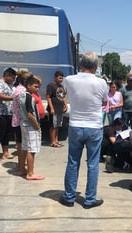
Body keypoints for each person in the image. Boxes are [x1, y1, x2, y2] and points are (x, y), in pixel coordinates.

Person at [59, 51, 108, 209]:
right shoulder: (101, 83)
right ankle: (89, 200)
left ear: (80, 65)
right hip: (94, 126)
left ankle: (69, 197)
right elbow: (104, 102)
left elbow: (63, 94)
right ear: (96, 66)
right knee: (93, 164)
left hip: (75, 125)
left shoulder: (69, 80)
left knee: (73, 162)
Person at [19, 75, 44, 181]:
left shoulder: (22, 95)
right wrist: (37, 126)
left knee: (25, 147)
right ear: (28, 86)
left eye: (38, 87)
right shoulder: (29, 97)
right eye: (35, 86)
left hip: (24, 124)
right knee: (32, 149)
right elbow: (30, 114)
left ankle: (22, 169)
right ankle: (30, 173)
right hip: (30, 125)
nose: (37, 89)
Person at [0, 67, 17, 163]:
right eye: (12, 78)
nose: (13, 80)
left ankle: (5, 152)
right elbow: (0, 95)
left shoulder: (10, 85)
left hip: (8, 113)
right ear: (7, 75)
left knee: (7, 134)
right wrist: (13, 98)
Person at [12, 69, 32, 175]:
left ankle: (21, 165)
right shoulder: (22, 91)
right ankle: (21, 167)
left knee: (21, 145)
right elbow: (24, 108)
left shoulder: (19, 88)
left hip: (18, 120)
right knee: (23, 146)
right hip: (21, 121)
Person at [46, 71, 68, 148]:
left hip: (60, 108)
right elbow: (48, 97)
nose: (61, 79)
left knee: (58, 125)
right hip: (54, 108)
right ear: (55, 77)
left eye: (62, 78)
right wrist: (51, 108)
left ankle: (56, 140)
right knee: (53, 125)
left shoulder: (61, 86)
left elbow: (63, 96)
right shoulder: (51, 85)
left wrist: (66, 105)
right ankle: (52, 142)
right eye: (59, 78)